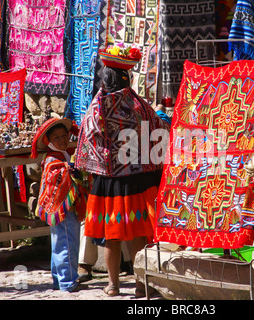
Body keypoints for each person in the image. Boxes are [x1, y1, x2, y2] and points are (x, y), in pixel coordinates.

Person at [75, 44, 170, 297]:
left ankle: (113, 285)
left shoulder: (95, 108)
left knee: (111, 235)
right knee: (139, 232)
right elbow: (156, 125)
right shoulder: (136, 104)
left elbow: (89, 136)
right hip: (134, 178)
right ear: (126, 78)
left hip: (107, 180)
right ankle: (141, 285)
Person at [31, 117, 89, 292]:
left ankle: (59, 279)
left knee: (60, 244)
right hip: (62, 209)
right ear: (49, 141)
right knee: (67, 244)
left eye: (65, 136)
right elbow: (57, 178)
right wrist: (70, 170)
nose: (63, 140)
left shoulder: (62, 155)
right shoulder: (52, 160)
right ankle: (67, 281)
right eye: (57, 138)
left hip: (62, 209)